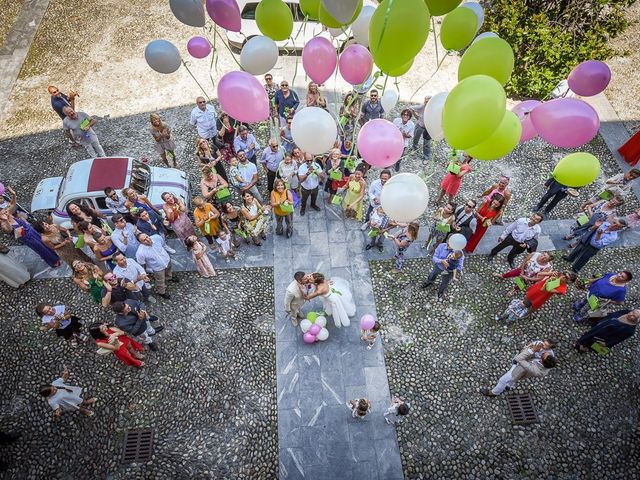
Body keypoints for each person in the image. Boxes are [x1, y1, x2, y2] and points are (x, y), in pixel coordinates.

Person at [480, 343, 557, 396]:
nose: (543, 353)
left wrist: (532, 350)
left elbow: (519, 359)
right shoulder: (548, 363)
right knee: (513, 380)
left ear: (543, 361)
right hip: (522, 371)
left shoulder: (534, 370)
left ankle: (494, 393)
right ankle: (509, 386)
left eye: (543, 355)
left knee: (502, 380)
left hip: (517, 372)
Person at [0, 201, 61, 268]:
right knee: (41, 249)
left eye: (5, 211)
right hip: (28, 238)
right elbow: (9, 230)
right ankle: (53, 261)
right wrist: (6, 220)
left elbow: (13, 204)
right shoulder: (4, 224)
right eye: (4, 213)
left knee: (45, 244)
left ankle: (56, 255)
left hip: (32, 231)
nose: (6, 213)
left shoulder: (9, 215)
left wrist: (13, 194)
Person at [575, 309, 640, 354]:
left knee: (590, 342)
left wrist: (607, 344)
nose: (630, 314)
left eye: (634, 316)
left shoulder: (630, 330)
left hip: (602, 335)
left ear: (637, 321)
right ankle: (581, 342)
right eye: (632, 312)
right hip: (600, 325)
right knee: (588, 334)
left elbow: (618, 339)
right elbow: (614, 314)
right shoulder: (626, 311)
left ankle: (583, 348)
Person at [135, 233, 176, 299]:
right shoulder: (140, 252)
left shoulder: (157, 238)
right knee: (160, 280)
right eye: (144, 240)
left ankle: (169, 278)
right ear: (140, 242)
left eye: (147, 236)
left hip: (166, 260)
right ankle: (161, 292)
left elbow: (163, 245)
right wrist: (145, 273)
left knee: (169, 270)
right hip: (157, 268)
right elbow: (141, 263)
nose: (148, 239)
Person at [410, 96, 432, 161]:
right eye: (425, 101)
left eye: (428, 101)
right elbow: (411, 108)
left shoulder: (433, 108)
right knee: (416, 138)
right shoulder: (422, 107)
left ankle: (426, 157)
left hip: (428, 129)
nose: (426, 103)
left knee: (426, 143)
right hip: (420, 125)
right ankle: (414, 148)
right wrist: (417, 116)